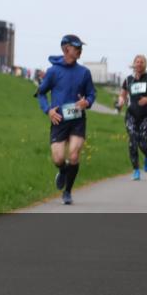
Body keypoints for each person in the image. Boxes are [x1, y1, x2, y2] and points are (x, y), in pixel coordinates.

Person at [35, 34, 96, 205]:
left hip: (77, 120)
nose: (80, 51)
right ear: (66, 48)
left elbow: (91, 93)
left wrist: (87, 102)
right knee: (58, 158)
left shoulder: (84, 72)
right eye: (77, 48)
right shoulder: (53, 72)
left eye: (81, 48)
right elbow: (40, 93)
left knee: (74, 155)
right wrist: (48, 110)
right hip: (59, 121)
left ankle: (67, 192)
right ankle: (62, 171)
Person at [118, 54, 147, 180]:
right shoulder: (128, 80)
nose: (139, 64)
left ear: (145, 64)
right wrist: (121, 101)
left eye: (141, 62)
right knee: (132, 141)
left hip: (146, 115)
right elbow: (122, 94)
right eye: (137, 62)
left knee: (142, 142)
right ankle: (136, 170)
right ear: (134, 64)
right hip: (131, 114)